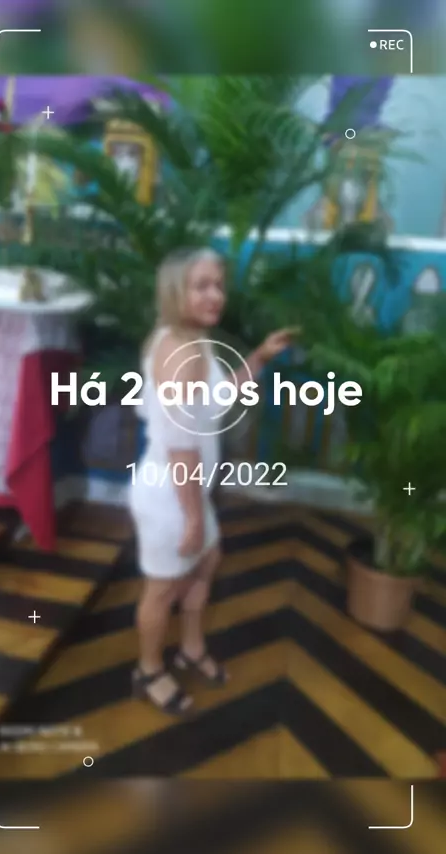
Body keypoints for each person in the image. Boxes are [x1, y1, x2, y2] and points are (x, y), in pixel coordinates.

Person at [129, 247, 299, 716]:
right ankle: (148, 669)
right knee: (162, 589)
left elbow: (221, 398)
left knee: (206, 564)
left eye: (219, 285)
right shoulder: (179, 352)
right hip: (169, 496)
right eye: (201, 286)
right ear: (175, 291)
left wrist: (259, 356)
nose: (216, 296)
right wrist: (191, 517)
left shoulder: (194, 340)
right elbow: (179, 443)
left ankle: (190, 648)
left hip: (188, 493)